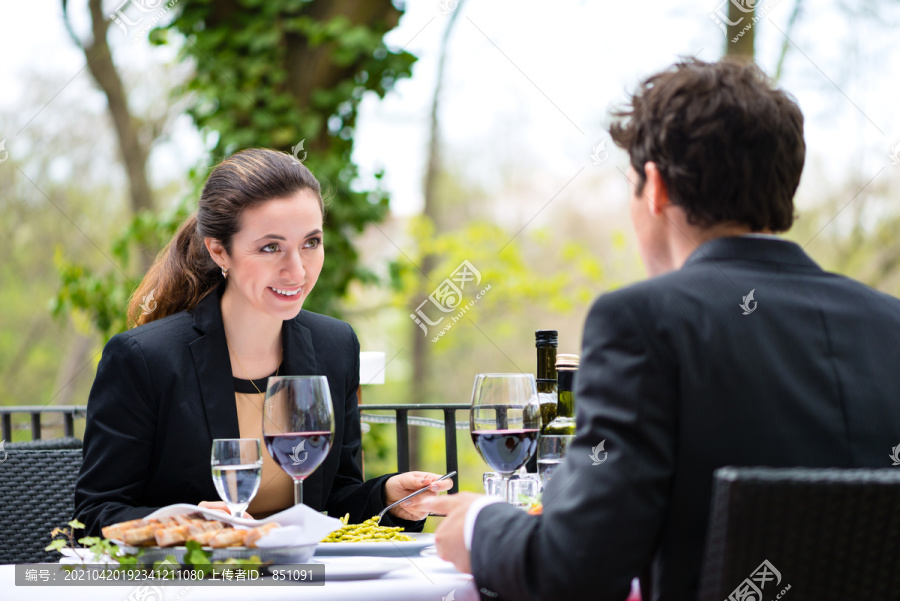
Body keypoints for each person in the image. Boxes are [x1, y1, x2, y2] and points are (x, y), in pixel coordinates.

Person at [422, 58, 900, 601]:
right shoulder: (891, 324)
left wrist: (482, 525)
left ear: (655, 187)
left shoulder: (643, 323)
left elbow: (576, 570)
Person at [75, 148, 450, 536]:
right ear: (220, 251)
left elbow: (334, 499)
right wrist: (187, 523)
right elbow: (94, 516)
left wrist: (387, 496)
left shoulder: (334, 346)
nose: (298, 270)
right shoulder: (144, 359)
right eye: (271, 247)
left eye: (311, 242)